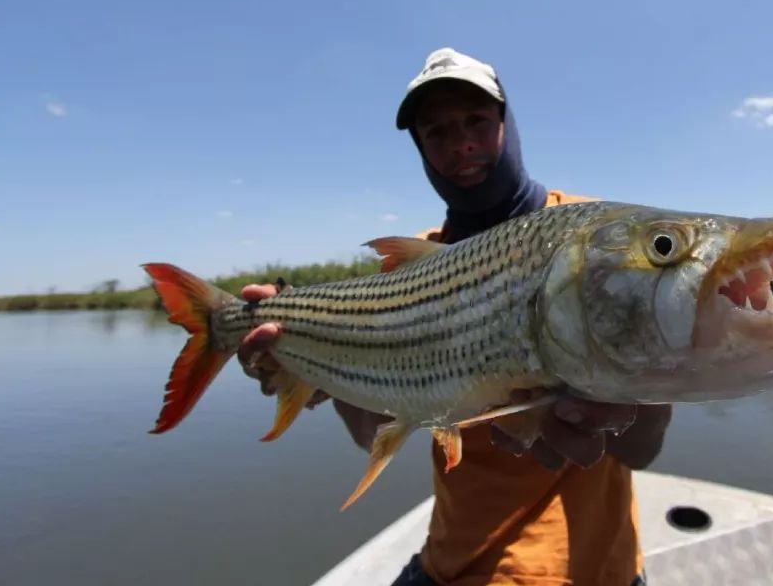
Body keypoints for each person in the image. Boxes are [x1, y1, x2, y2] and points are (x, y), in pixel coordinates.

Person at [238, 47, 673, 586]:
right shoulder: (411, 264)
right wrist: (316, 366)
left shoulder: (595, 235)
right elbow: (370, 429)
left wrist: (638, 384)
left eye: (475, 121)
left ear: (507, 124)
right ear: (421, 148)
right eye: (436, 131)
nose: (460, 144)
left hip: (582, 572)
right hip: (450, 562)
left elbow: (643, 450)